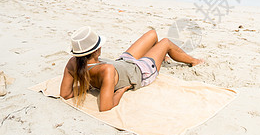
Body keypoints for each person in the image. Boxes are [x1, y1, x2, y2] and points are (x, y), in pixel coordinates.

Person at [60, 26, 203, 111]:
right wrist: (121, 91)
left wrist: (85, 86)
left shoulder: (73, 63)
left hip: (123, 62)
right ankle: (194, 61)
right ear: (96, 50)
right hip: (140, 71)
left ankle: (161, 56)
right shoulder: (106, 71)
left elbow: (65, 94)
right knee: (166, 42)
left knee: (152, 34)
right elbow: (105, 107)